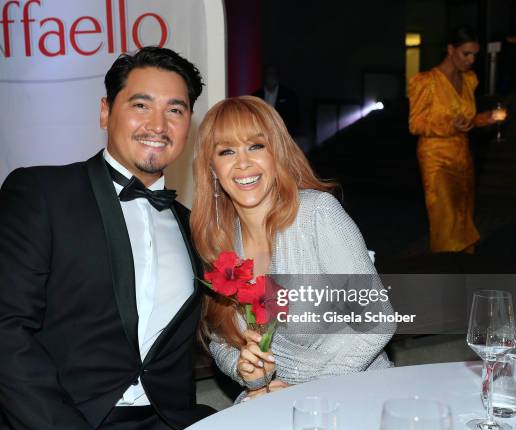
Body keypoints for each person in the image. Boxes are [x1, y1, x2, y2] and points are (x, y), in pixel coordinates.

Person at [0, 46, 214, 430]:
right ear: (105, 112)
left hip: (166, 428)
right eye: (141, 105)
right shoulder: (41, 194)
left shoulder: (194, 226)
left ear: (188, 124)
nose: (158, 124)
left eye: (175, 110)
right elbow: (3, 334)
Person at [190, 96, 394, 403]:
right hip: (275, 398)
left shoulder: (317, 215)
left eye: (256, 146)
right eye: (227, 151)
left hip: (354, 392)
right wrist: (245, 367)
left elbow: (378, 319)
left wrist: (310, 386)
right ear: (212, 169)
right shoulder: (218, 241)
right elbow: (222, 337)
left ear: (277, 153)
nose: (243, 162)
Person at [408, 26, 502, 253]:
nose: (471, 60)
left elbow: (467, 120)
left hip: (462, 156)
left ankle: (463, 268)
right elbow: (415, 124)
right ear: (451, 49)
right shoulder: (426, 81)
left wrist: (485, 119)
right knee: (445, 216)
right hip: (435, 158)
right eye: (466, 54)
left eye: (474, 55)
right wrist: (450, 125)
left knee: (463, 215)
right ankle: (444, 272)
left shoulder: (469, 80)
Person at [252, 64, 300, 135]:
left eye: (274, 73)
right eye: (269, 73)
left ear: (278, 76)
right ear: (264, 76)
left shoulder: (289, 95)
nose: (271, 76)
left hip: (283, 135)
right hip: (260, 134)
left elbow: (295, 118)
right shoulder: (255, 96)